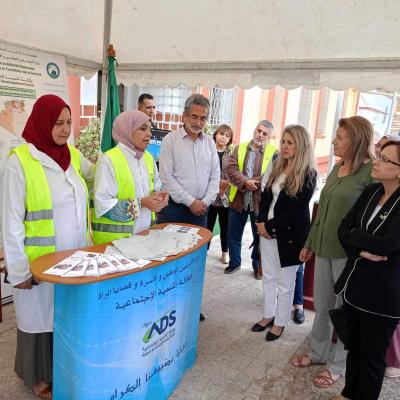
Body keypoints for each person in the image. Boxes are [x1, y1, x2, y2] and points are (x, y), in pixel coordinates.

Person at [0, 94, 93, 399]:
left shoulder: (73, 157)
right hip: (38, 264)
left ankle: (63, 369)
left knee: (64, 316)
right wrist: (19, 271)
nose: (65, 129)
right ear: (41, 122)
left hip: (73, 257)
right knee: (40, 320)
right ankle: (38, 377)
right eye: (58, 123)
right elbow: (10, 223)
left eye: (68, 122)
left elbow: (96, 177)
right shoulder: (20, 163)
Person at [291, 116, 374, 389]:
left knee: (342, 312)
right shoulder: (338, 167)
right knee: (324, 307)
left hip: (347, 256)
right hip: (324, 249)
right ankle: (317, 353)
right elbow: (322, 211)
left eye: (340, 137)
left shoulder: (370, 173)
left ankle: (337, 366)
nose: (334, 141)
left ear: (357, 140)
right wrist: (309, 243)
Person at [331, 140, 400, 400]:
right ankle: (349, 393)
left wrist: (356, 236)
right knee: (355, 349)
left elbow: (388, 245)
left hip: (382, 296)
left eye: (385, 159)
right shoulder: (371, 191)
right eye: (378, 156)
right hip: (355, 286)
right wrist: (360, 248)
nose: (377, 162)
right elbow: (343, 229)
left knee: (372, 359)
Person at [158, 94, 220, 321]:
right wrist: (189, 201)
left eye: (203, 118)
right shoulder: (170, 141)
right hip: (174, 210)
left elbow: (216, 175)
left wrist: (205, 201)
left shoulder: (210, 143)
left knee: (195, 263)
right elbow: (166, 178)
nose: (198, 122)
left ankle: (190, 308)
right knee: (172, 261)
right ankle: (166, 310)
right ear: (184, 116)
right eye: (194, 117)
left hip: (201, 212)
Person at [252, 125, 316, 340]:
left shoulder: (309, 174)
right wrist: (261, 223)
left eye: (290, 142)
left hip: (289, 236)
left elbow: (296, 211)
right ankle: (268, 315)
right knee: (268, 276)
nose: (285, 146)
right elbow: (266, 196)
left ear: (301, 145)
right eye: (284, 142)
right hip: (267, 231)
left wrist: (269, 227)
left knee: (286, 282)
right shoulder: (278, 165)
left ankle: (280, 323)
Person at [92, 110, 168, 244]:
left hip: (145, 238)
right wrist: (142, 203)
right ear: (127, 130)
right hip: (115, 245)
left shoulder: (148, 158)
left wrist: (160, 197)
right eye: (143, 129)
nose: (149, 134)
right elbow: (102, 205)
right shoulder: (108, 160)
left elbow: (156, 187)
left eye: (150, 129)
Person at [225, 120, 277, 278]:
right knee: (233, 234)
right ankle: (234, 263)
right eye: (258, 131)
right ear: (254, 130)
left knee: (258, 237)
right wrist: (244, 182)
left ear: (269, 137)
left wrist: (252, 182)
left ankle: (256, 266)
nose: (260, 135)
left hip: (259, 202)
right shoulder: (239, 148)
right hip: (239, 199)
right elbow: (230, 169)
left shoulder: (275, 153)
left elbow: (272, 175)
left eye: (264, 133)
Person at [206, 124, 233, 264]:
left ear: (229, 140)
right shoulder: (208, 150)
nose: (223, 137)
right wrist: (215, 185)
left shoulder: (232, 154)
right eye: (221, 134)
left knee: (225, 226)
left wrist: (224, 186)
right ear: (216, 135)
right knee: (208, 225)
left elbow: (233, 173)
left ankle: (225, 252)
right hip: (209, 195)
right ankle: (204, 250)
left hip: (224, 197)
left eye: (227, 135)